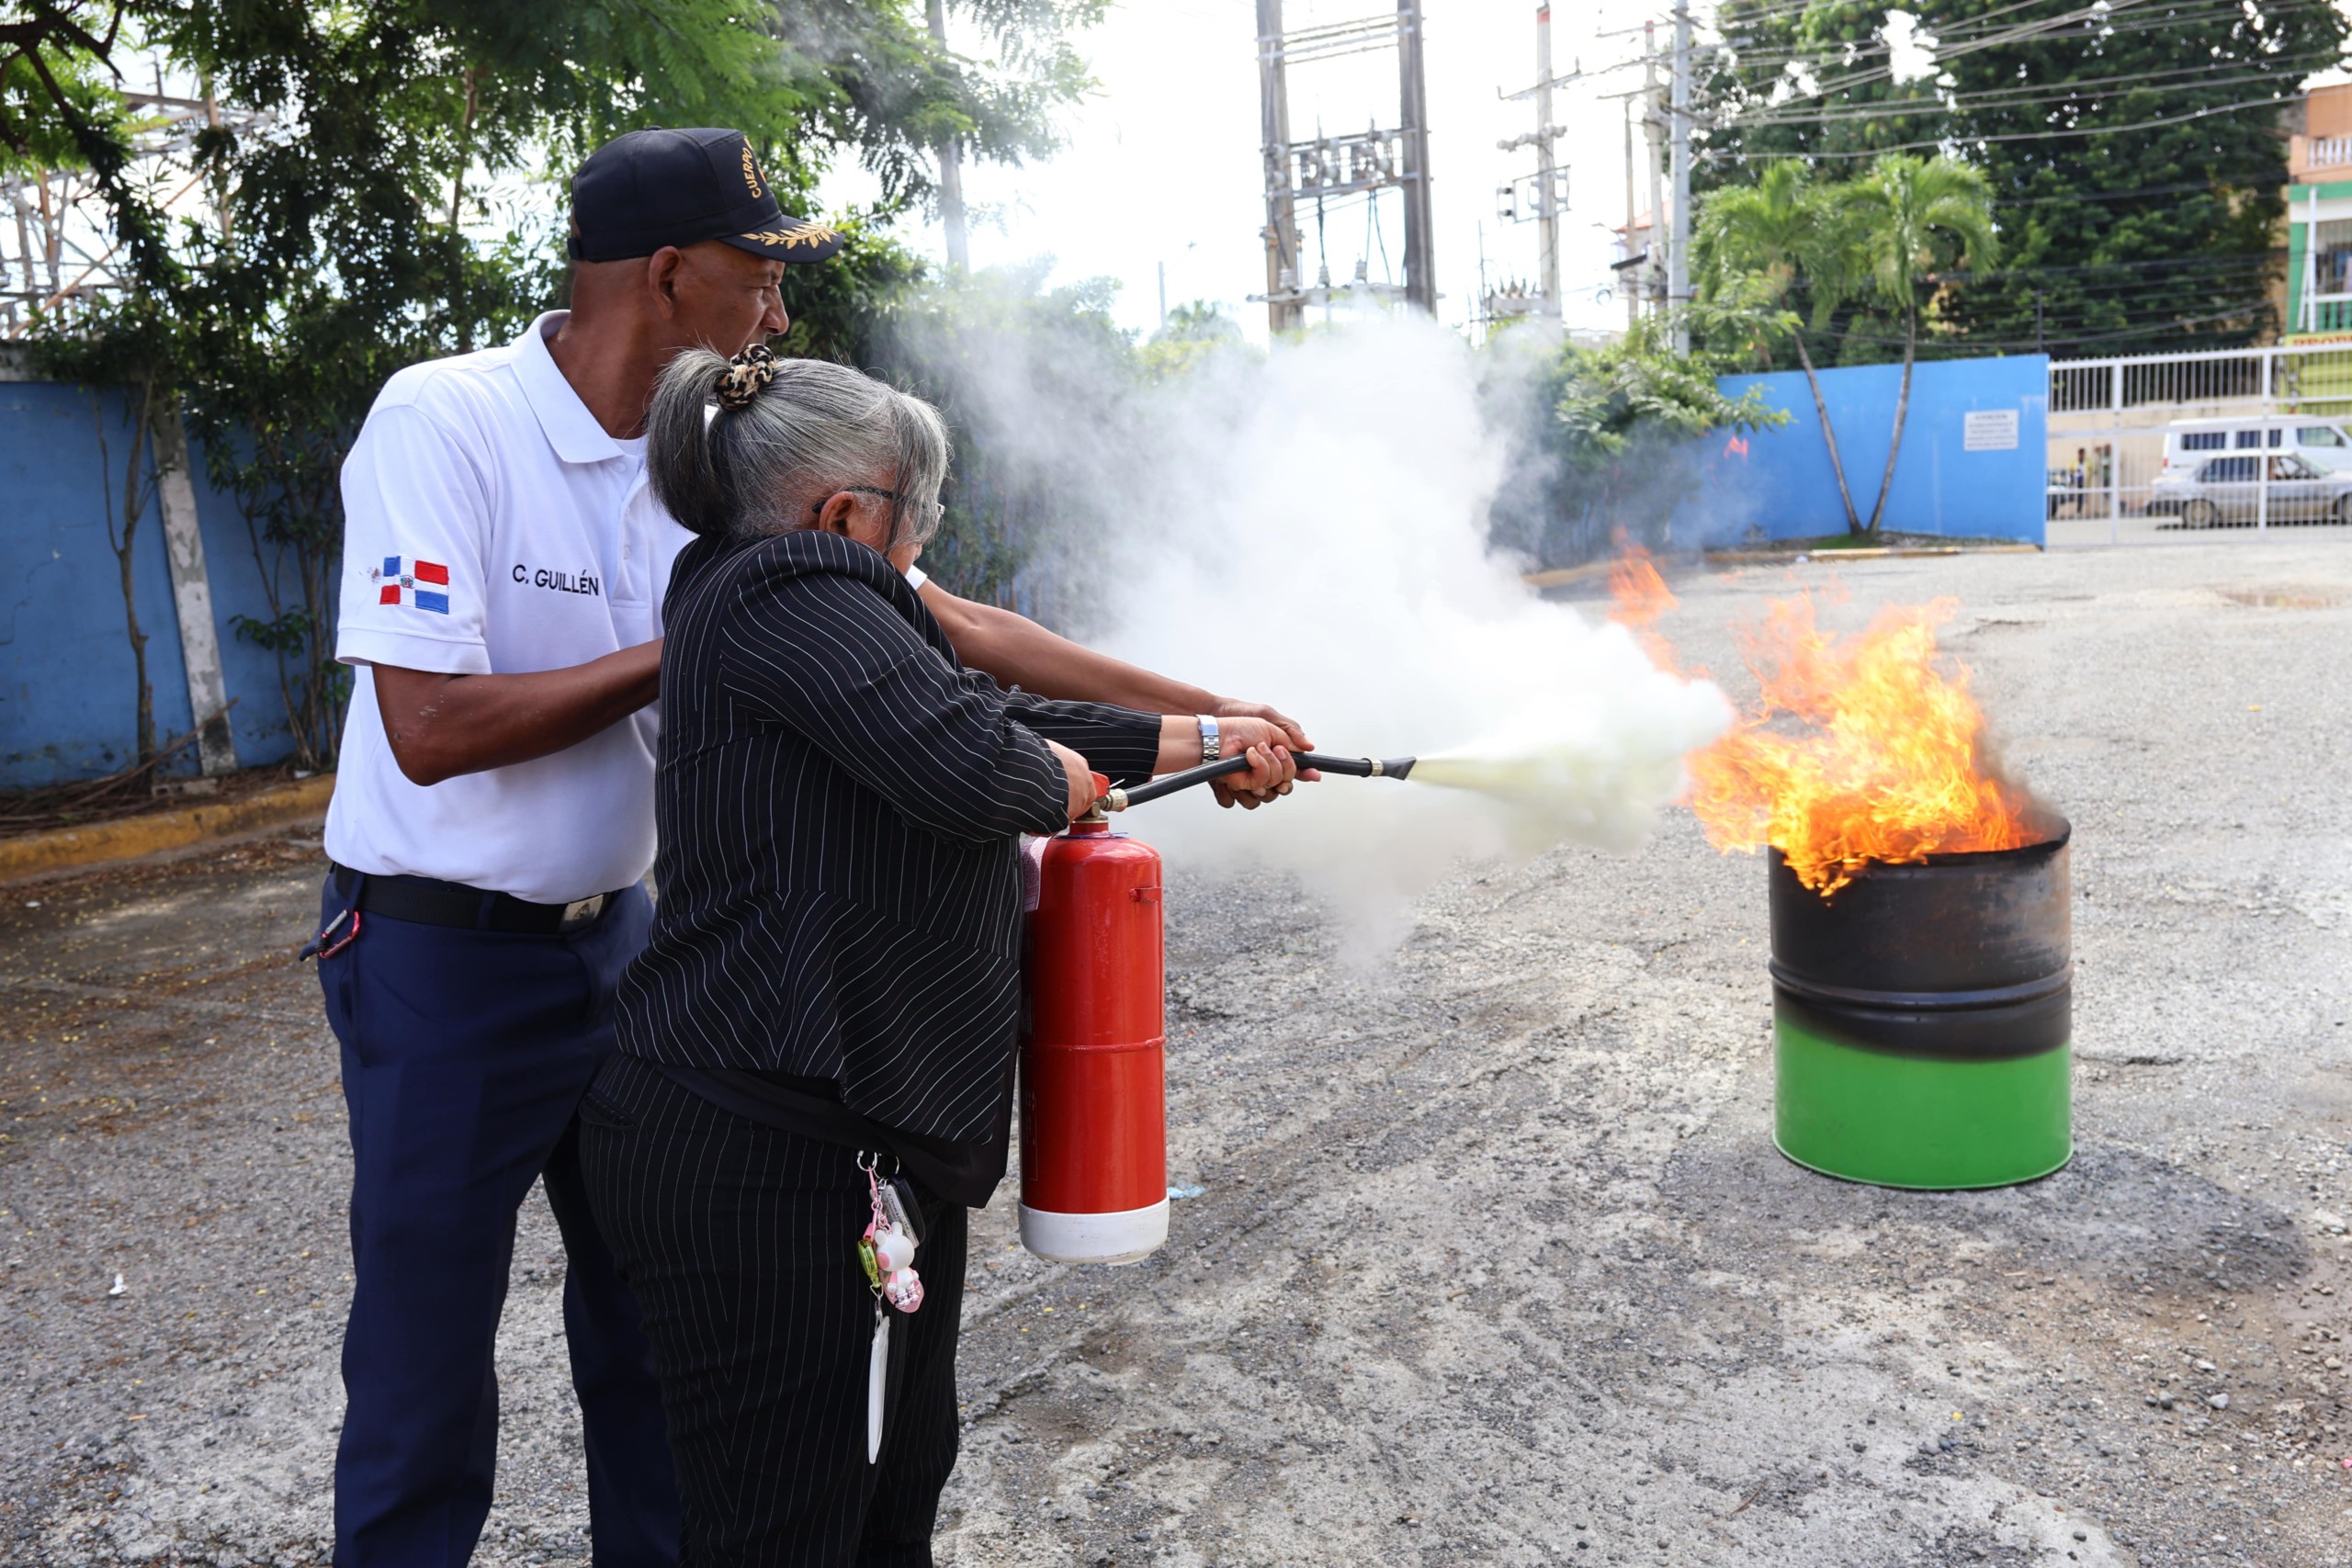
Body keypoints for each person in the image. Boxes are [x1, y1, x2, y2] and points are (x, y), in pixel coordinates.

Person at [311, 125, 1304, 1568]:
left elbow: (951, 629)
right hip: (446, 950)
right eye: (759, 276)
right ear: (669, 274)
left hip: (632, 942)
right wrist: (714, 633)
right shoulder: (448, 422)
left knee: (668, 1354)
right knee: (426, 1362)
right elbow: (430, 726)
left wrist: (1214, 715)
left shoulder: (723, 466)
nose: (776, 313)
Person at [578, 348, 1253, 1565]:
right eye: (918, 511)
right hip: (765, 1158)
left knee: (893, 1489)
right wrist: (1062, 781)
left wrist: (1204, 738)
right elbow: (981, 763)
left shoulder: (773, 591)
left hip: (832, 1139)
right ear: (846, 512)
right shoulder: (789, 587)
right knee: (787, 1532)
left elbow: (981, 716)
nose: (923, 539)